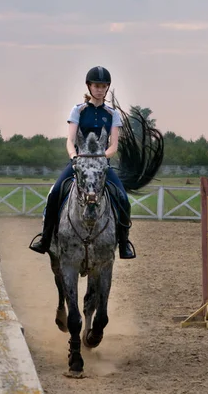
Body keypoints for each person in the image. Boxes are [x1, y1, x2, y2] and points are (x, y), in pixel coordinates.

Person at [29, 66, 136, 259]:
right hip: (78, 163)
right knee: (55, 193)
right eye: (96, 85)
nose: (100, 89)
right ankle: (45, 239)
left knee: (123, 198)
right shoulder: (78, 110)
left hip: (102, 165)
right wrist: (73, 157)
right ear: (89, 86)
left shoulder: (112, 114)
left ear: (107, 87)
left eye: (104, 86)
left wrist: (102, 158)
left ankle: (123, 243)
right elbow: (70, 140)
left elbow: (114, 145)